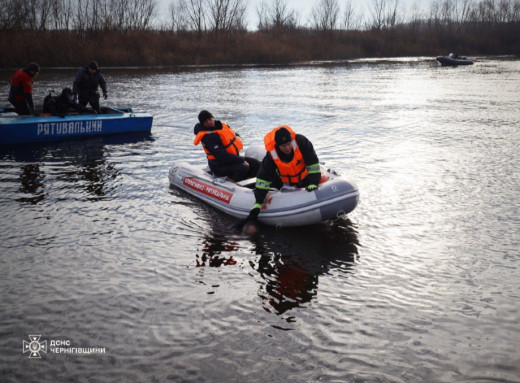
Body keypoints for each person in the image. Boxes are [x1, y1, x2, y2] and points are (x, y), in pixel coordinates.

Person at [246, 125, 322, 222]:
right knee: (271, 181)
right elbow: (263, 178)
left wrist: (313, 182)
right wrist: (258, 203)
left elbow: (313, 163)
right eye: (283, 146)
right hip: (285, 183)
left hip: (306, 178)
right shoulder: (272, 155)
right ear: (278, 145)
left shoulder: (301, 142)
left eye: (288, 144)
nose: (287, 148)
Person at [194, 110, 260, 182]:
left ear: (213, 118)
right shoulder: (208, 137)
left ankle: (258, 182)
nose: (209, 122)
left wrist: (238, 139)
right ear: (203, 124)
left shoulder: (221, 126)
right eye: (206, 121)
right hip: (218, 165)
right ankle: (234, 182)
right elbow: (221, 156)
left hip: (231, 159)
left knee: (255, 163)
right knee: (243, 167)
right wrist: (241, 160)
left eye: (210, 119)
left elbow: (234, 135)